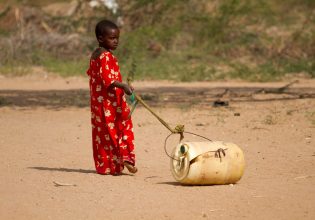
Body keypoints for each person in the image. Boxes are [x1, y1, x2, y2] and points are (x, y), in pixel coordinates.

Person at [86, 19, 137, 175]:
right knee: (120, 127)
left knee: (103, 135)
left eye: (117, 38)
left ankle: (108, 165)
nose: (116, 42)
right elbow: (108, 79)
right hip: (110, 104)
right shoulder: (105, 56)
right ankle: (125, 157)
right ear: (101, 38)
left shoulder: (95, 55)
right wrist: (124, 86)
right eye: (112, 38)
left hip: (98, 104)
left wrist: (123, 86)